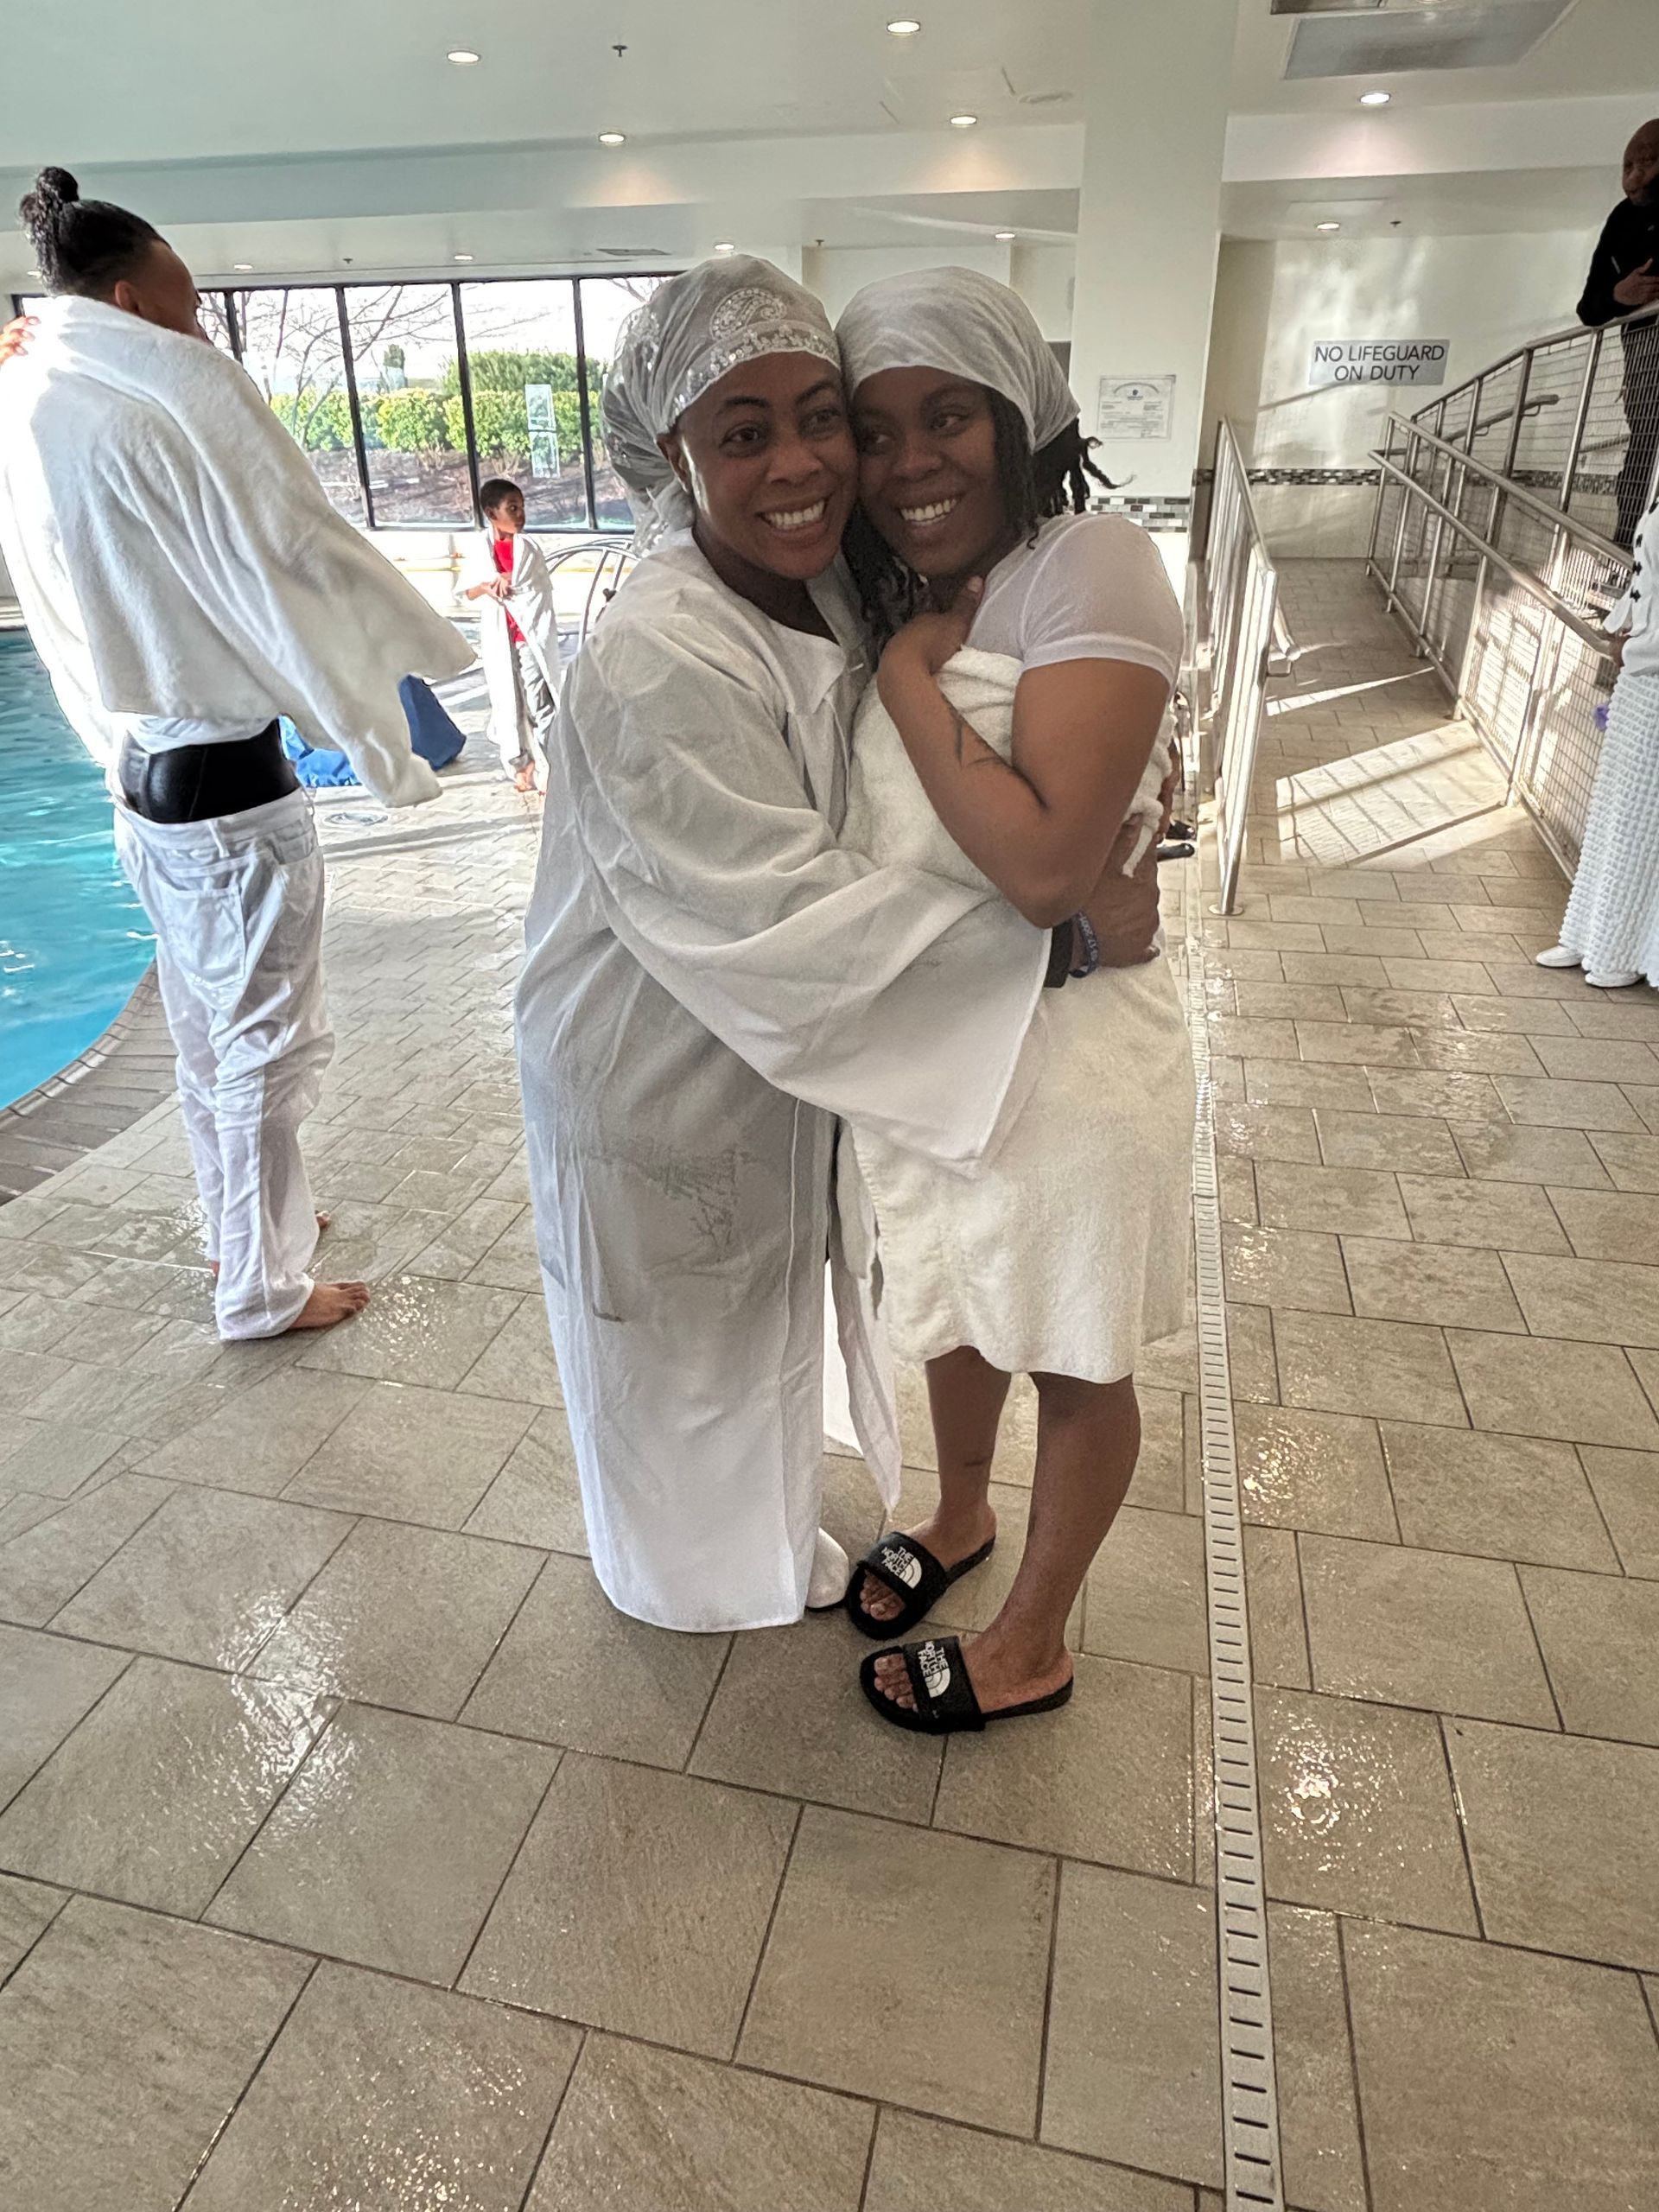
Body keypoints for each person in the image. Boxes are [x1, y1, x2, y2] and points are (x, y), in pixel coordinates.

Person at [513, 256, 1162, 1635]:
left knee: (762, 1331)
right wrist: (1059, 947)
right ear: (670, 452)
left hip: (798, 1054)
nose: (807, 462)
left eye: (824, 415)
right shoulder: (655, 656)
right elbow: (779, 916)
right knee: (676, 1363)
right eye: (744, 434)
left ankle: (798, 1540)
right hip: (658, 1057)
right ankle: (698, 1597)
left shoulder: (847, 587)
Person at [0, 170, 474, 1338]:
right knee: (267, 1041)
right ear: (128, 302)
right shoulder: (141, 399)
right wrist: (376, 692)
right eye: (188, 308)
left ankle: (245, 1227)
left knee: (213, 1039)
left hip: (149, 788)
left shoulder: (36, 397)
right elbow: (286, 539)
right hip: (227, 793)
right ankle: (258, 1289)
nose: (200, 333)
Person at [832, 267, 1195, 1732]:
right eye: (876, 428)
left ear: (1019, 414)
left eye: (949, 417)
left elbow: (1050, 866)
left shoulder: (1091, 562)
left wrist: (917, 681)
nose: (911, 461)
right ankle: (965, 1511)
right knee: (958, 1301)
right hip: (938, 1041)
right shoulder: (893, 584)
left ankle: (1033, 1638)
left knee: (1070, 1338)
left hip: (1069, 1055)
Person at [1535, 480, 1659, 992]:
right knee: (1617, 811)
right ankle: (1590, 935)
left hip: (1650, 672)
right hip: (1641, 677)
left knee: (1640, 819)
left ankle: (1623, 951)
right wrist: (1621, 628)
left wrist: (1630, 650)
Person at [1579, 118, 1659, 550]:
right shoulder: (1622, 219)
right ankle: (1626, 553)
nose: (1634, 175)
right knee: (1644, 455)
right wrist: (1619, 293)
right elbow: (1588, 307)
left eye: (1646, 162)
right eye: (1627, 164)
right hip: (1646, 364)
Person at [460, 477, 562, 792]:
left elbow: (535, 589)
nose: (520, 515)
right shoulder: (480, 548)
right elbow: (469, 590)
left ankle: (553, 765)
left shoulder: (528, 549)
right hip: (499, 639)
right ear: (492, 513)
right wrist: (489, 585)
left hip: (528, 639)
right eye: (512, 508)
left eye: (522, 507)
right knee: (508, 701)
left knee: (539, 701)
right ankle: (522, 764)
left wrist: (507, 581)